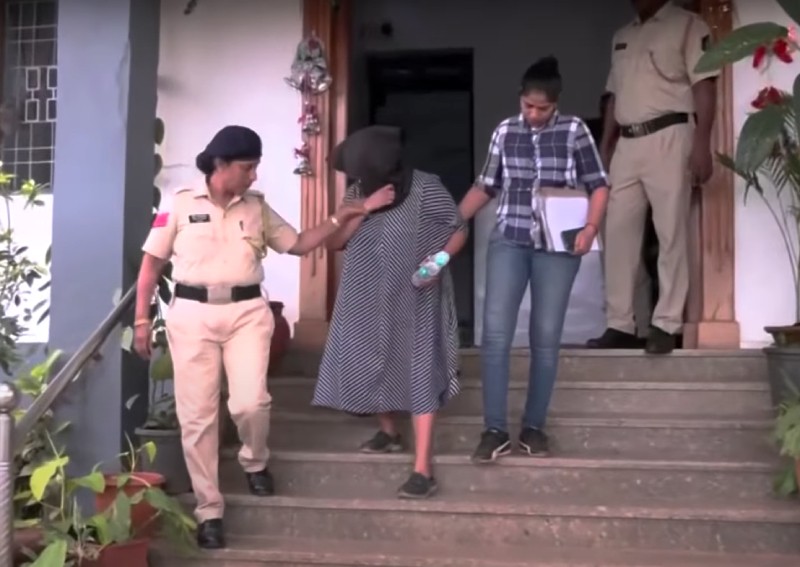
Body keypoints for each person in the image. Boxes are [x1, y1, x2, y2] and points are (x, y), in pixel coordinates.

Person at [132, 125, 380, 549]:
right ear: (220, 165)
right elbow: (151, 266)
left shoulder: (256, 208)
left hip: (247, 312)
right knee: (198, 418)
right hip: (192, 315)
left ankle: (254, 460)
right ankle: (209, 510)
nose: (254, 175)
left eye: (256, 167)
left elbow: (300, 245)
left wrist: (347, 214)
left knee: (251, 403)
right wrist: (140, 321)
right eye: (248, 167)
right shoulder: (179, 204)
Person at [458, 57, 609, 463]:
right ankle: (494, 430)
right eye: (528, 105)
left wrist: (591, 228)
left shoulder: (575, 131)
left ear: (555, 104)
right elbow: (486, 186)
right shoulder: (505, 131)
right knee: (494, 337)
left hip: (557, 247)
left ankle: (534, 428)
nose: (534, 114)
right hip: (510, 240)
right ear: (521, 100)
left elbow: (598, 185)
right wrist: (452, 222)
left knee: (545, 338)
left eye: (542, 108)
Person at [312, 125, 467, 499]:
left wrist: (439, 260)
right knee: (372, 360)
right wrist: (364, 209)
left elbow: (458, 229)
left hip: (416, 293)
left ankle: (422, 470)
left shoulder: (427, 187)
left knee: (419, 371)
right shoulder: (356, 193)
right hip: (366, 294)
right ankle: (389, 431)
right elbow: (334, 242)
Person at [587, 0, 718, 354]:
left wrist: (703, 142)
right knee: (616, 232)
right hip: (628, 141)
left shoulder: (689, 25)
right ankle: (621, 323)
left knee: (670, 230)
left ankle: (666, 323)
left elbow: (704, 84)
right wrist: (606, 144)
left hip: (671, 133)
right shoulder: (622, 34)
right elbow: (614, 95)